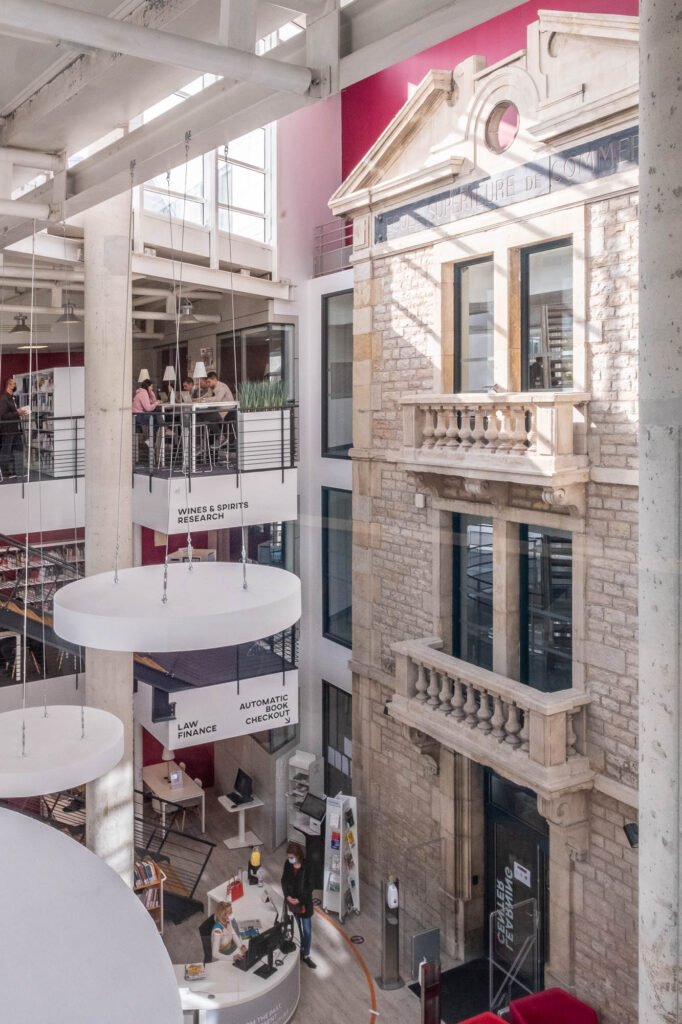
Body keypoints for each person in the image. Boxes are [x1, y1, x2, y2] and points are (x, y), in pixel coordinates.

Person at [281, 841, 316, 969]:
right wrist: (287, 896)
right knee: (298, 930)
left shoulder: (307, 866)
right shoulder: (287, 864)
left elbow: (310, 886)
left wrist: (299, 899)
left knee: (307, 930)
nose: (289, 859)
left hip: (304, 903)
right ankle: (299, 950)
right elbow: (284, 880)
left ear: (297, 855)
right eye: (289, 857)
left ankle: (306, 954)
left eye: (291, 857)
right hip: (292, 903)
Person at [0, 376, 27, 479]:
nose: (15, 385)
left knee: (19, 449)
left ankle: (18, 471)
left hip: (16, 429)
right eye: (13, 384)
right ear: (9, 386)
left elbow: (13, 413)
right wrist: (17, 413)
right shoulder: (3, 399)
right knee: (6, 451)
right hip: (8, 430)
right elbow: (3, 415)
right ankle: (5, 473)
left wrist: (20, 412)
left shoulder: (12, 398)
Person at [132, 378, 161, 447]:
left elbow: (153, 401)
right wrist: (156, 403)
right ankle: (151, 439)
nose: (152, 388)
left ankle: (151, 439)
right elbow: (148, 408)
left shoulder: (143, 392)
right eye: (151, 386)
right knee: (156, 419)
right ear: (148, 386)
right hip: (138, 416)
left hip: (137, 415)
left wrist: (151, 392)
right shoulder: (143, 393)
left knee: (156, 412)